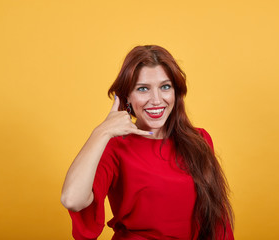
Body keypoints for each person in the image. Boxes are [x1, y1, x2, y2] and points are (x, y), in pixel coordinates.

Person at [61, 45, 234, 240]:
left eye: (165, 87)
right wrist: (102, 131)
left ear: (176, 93)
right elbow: (72, 199)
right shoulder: (115, 147)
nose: (156, 100)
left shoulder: (200, 140)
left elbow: (218, 220)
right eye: (143, 89)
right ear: (127, 97)